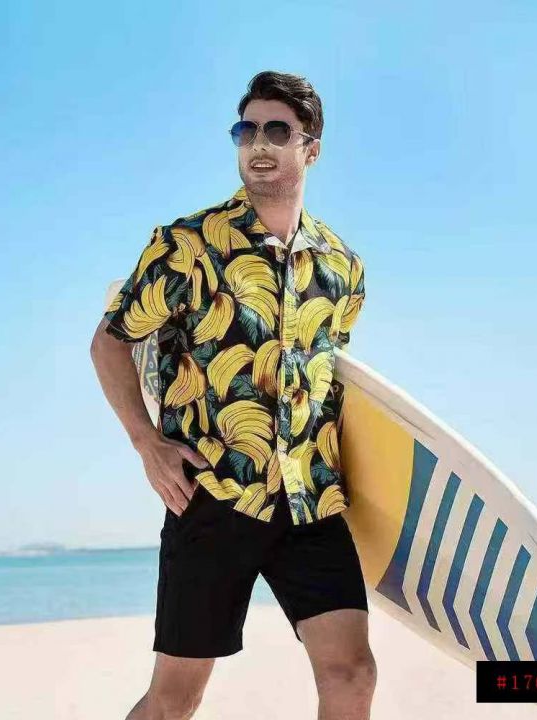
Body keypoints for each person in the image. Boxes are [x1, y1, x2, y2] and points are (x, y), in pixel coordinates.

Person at [90, 70, 375, 720]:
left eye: (278, 130)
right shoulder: (189, 245)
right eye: (247, 131)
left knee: (353, 674)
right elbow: (110, 342)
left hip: (309, 500)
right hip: (214, 495)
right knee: (175, 699)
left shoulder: (341, 267)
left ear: (311, 148)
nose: (259, 144)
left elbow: (327, 376)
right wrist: (146, 443)